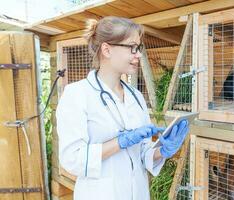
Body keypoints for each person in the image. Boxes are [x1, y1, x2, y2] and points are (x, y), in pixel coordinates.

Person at [56, 16, 189, 200]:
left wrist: (163, 151)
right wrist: (120, 142)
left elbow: (143, 154)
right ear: (107, 49)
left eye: (139, 48)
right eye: (132, 47)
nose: (138, 55)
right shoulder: (77, 95)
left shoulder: (136, 96)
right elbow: (72, 160)